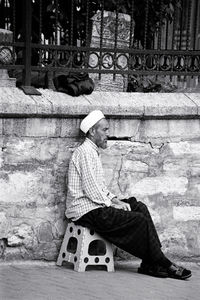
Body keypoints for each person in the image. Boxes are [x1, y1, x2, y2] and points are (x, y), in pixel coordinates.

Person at [65, 110, 192, 280]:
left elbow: (99, 187)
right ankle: (162, 262)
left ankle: (150, 263)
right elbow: (91, 190)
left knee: (138, 207)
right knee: (138, 219)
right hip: (85, 210)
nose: (107, 135)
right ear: (92, 132)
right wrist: (113, 205)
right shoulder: (85, 152)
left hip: (95, 206)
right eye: (104, 130)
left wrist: (115, 200)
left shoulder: (92, 152)